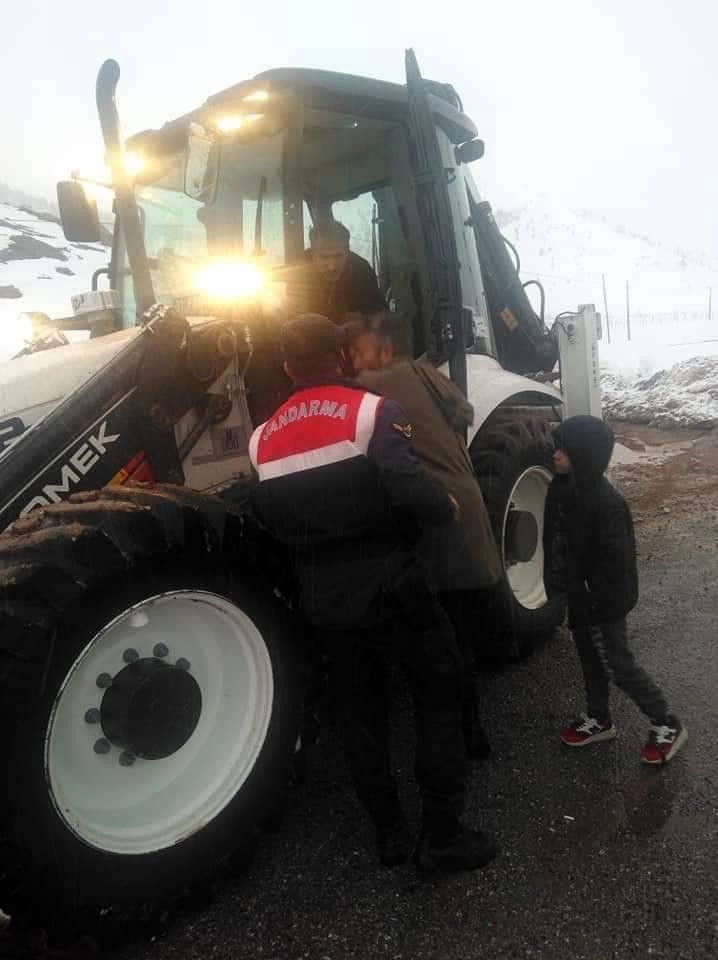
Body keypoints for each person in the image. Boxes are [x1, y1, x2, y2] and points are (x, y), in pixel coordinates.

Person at [248, 313, 497, 871]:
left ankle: (389, 833)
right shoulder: (374, 411)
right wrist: (445, 504)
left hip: (325, 601)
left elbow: (271, 518)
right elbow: (409, 486)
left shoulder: (261, 440)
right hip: (393, 586)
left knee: (361, 715)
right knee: (438, 691)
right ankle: (443, 834)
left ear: (288, 366)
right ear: (339, 357)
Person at [344, 309, 504, 759]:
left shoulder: (378, 386)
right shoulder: (429, 375)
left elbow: (349, 406)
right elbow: (460, 414)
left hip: (439, 523)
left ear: (384, 350)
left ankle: (458, 742)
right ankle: (475, 734)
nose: (352, 363)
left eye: (357, 353)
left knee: (442, 644)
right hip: (469, 515)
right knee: (464, 636)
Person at [543, 415, 687, 764]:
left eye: (565, 449)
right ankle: (599, 718)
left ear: (586, 454)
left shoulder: (605, 503)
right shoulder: (559, 489)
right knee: (590, 660)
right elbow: (555, 541)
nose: (556, 455)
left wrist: (603, 603)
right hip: (577, 597)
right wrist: (557, 585)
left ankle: (666, 721)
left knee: (617, 664)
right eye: (555, 447)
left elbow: (620, 566)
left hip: (602, 603)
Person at [294, 221, 387, 323]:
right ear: (312, 254)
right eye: (324, 257)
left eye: (338, 256)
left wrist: (365, 321)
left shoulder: (362, 270)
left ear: (347, 252)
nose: (332, 267)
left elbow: (381, 314)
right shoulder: (296, 269)